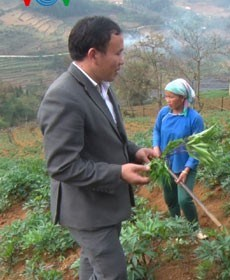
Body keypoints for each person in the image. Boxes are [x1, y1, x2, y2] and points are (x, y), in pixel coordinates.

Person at [38, 16, 156, 280]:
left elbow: (107, 136)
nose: (122, 60)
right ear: (94, 55)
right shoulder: (64, 96)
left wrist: (134, 151)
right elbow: (62, 165)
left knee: (92, 268)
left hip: (103, 203)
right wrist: (119, 173)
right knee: (112, 273)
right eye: (118, 53)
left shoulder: (101, 86)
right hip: (87, 209)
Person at [152, 78, 207, 240]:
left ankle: (195, 229)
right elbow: (156, 131)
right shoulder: (163, 113)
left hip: (185, 165)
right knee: (170, 199)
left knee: (184, 199)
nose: (167, 100)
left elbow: (197, 148)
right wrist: (156, 147)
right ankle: (177, 227)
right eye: (166, 96)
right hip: (166, 165)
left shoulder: (194, 118)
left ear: (183, 98)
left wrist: (187, 169)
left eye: (171, 97)